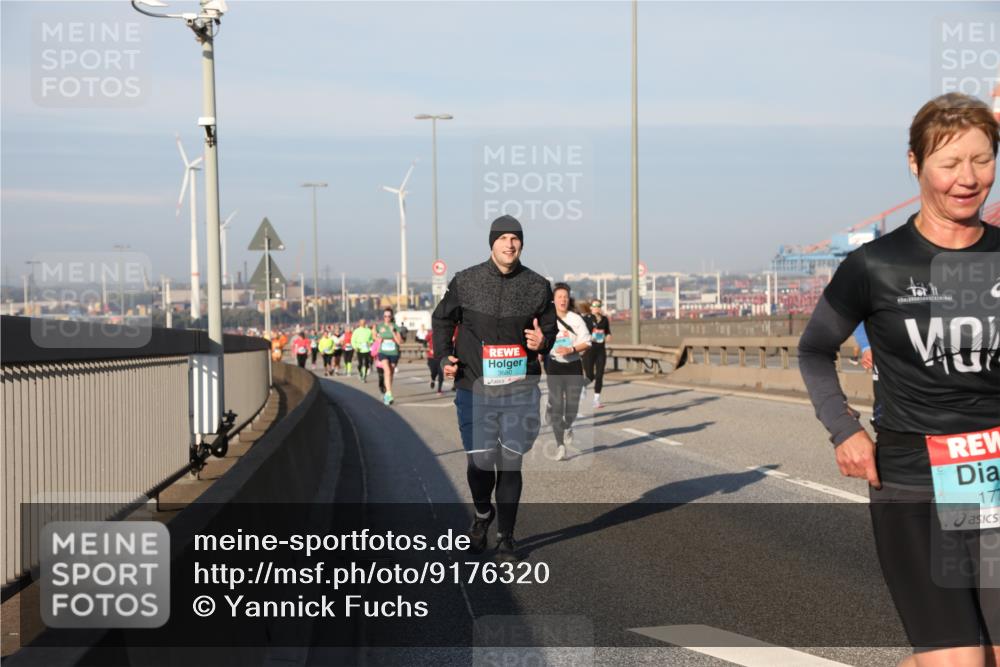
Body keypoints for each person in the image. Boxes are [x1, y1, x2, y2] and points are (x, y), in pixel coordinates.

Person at [799, 93, 999, 666]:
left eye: (982, 161)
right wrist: (844, 429)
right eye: (949, 162)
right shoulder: (876, 265)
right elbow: (815, 350)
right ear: (915, 165)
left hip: (993, 478)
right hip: (915, 481)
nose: (968, 178)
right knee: (963, 662)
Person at [432, 215, 557, 562]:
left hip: (519, 388)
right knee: (483, 461)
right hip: (475, 386)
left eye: (515, 239)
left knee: (511, 461)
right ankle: (483, 514)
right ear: (492, 243)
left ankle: (506, 535)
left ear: (521, 244)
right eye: (503, 239)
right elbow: (442, 319)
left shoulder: (537, 285)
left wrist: (543, 340)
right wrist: (444, 356)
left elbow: (549, 328)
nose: (509, 244)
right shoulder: (466, 281)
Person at [545, 283, 591, 462]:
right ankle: (560, 446)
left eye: (565, 296)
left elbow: (587, 342)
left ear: (568, 299)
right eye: (559, 297)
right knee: (557, 406)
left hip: (573, 366)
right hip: (555, 366)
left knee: (571, 407)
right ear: (553, 300)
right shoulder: (547, 319)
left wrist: (571, 349)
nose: (562, 300)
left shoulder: (575, 319)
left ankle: (568, 425)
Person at [582, 299, 612, 409]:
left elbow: (608, 331)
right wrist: (590, 337)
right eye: (595, 306)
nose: (597, 308)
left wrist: (608, 336)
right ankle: (582, 386)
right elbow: (581, 332)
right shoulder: (586, 319)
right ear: (591, 308)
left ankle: (596, 399)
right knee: (590, 375)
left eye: (599, 306)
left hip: (600, 350)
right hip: (589, 350)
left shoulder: (604, 319)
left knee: (600, 375)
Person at [375, 308, 403, 405]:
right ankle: (389, 393)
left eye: (389, 316)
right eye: (385, 316)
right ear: (383, 317)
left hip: (393, 353)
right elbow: (374, 337)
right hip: (383, 352)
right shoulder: (379, 326)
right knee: (386, 370)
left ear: (391, 317)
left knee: (390, 373)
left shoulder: (395, 327)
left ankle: (387, 391)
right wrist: (379, 338)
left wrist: (393, 332)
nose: (387, 318)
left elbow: (400, 342)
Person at [352, 319, 374, 383]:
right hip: (359, 349)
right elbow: (353, 340)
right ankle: (360, 372)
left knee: (366, 364)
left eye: (364, 322)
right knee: (360, 364)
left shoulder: (368, 331)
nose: (363, 323)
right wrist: (355, 347)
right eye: (361, 322)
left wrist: (370, 342)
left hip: (367, 349)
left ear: (365, 323)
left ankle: (364, 377)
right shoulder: (356, 331)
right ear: (359, 323)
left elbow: (371, 339)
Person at [427, 330, 443, 394]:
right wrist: (428, 348)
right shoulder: (431, 334)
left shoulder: (444, 335)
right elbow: (425, 341)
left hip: (441, 357)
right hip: (432, 357)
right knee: (434, 372)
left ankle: (439, 390)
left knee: (441, 373)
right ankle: (432, 379)